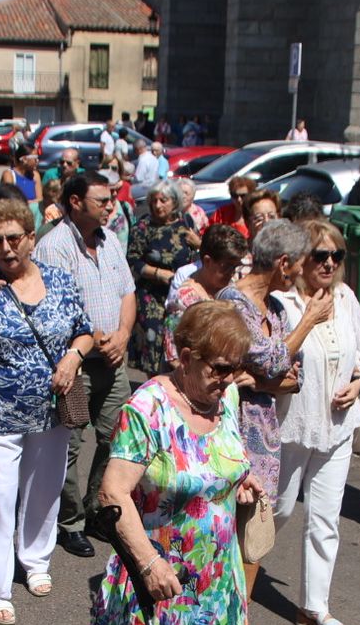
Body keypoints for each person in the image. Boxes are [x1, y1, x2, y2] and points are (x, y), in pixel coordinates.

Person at [72, 300, 288, 625]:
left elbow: (222, 458)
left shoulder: (226, 399)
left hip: (218, 563)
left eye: (236, 369)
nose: (229, 379)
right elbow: (112, 494)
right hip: (157, 559)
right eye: (219, 368)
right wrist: (147, 562)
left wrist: (244, 478)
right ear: (184, 355)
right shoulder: (146, 409)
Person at [0, 199, 94, 625]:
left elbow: (85, 330)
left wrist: (73, 357)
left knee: (45, 487)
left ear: (31, 238)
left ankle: (36, 559)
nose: (5, 248)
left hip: (52, 410)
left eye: (13, 238)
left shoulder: (59, 280)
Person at [220, 219, 332, 625]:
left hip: (265, 430)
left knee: (255, 532)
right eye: (300, 265)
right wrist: (306, 324)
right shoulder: (234, 304)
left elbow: (289, 374)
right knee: (226, 528)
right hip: (234, 428)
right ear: (282, 262)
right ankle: (222, 620)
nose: (302, 275)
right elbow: (271, 359)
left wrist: (265, 374)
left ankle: (239, 621)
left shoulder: (277, 311)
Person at [273, 219, 360, 625]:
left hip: (337, 427)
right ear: (300, 261)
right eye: (321, 255)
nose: (330, 263)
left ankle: (314, 606)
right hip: (291, 425)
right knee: (276, 511)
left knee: (325, 519)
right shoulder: (282, 303)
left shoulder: (347, 298)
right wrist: (309, 319)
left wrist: (357, 383)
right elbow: (272, 359)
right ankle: (236, 577)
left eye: (337, 255)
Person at [32, 172, 136, 559]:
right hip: (74, 365)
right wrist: (95, 337)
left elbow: (128, 292)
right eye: (102, 200)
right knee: (69, 447)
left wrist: (123, 334)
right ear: (75, 202)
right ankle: (70, 522)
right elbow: (55, 309)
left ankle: (96, 509)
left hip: (113, 362)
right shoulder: (55, 246)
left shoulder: (109, 242)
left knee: (119, 438)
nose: (111, 206)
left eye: (111, 199)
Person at [128, 179, 199, 376]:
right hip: (152, 294)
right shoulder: (143, 227)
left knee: (181, 343)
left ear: (174, 202)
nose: (158, 205)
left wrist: (198, 243)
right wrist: (160, 274)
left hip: (180, 293)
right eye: (154, 201)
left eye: (163, 200)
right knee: (154, 343)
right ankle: (155, 383)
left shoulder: (186, 222)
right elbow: (134, 261)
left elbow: (200, 252)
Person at [165, 224, 249, 367]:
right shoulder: (184, 299)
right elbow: (173, 356)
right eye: (226, 266)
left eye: (235, 267)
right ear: (207, 261)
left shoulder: (230, 288)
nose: (232, 273)